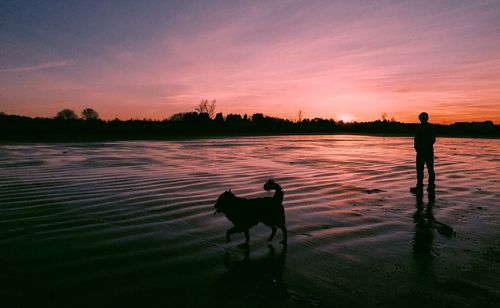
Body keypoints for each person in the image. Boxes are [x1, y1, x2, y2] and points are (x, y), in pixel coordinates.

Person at [410, 112, 436, 199]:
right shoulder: (428, 127)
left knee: (423, 169)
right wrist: (418, 148)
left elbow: (432, 139)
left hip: (424, 152)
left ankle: (424, 187)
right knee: (428, 169)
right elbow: (432, 139)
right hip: (425, 151)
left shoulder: (423, 128)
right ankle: (429, 186)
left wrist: (420, 147)